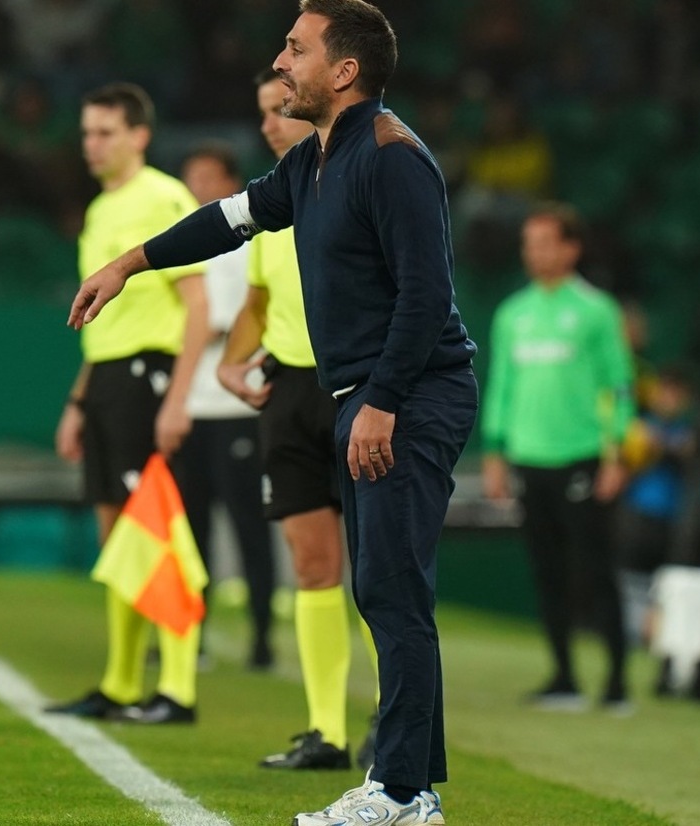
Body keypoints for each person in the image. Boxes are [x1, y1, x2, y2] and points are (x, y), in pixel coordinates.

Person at [69, 3, 477, 823]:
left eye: (296, 48)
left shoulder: (391, 157)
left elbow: (427, 297)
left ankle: (400, 791)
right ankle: (411, 785)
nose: (281, 61)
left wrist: (382, 401)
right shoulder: (314, 160)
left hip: (407, 394)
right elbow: (227, 221)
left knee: (391, 590)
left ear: (345, 70)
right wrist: (130, 263)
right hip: (364, 394)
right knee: (384, 589)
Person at [216, 68, 380, 773]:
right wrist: (230, 364)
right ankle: (326, 732)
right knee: (313, 566)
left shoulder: (360, 182)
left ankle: (392, 717)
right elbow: (257, 301)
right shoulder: (273, 206)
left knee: (377, 570)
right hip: (288, 393)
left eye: (276, 108)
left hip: (360, 392)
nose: (266, 123)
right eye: (260, 111)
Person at [47, 82, 209, 725]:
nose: (92, 144)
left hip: (151, 376)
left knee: (159, 528)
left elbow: (198, 306)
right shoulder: (99, 210)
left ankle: (177, 688)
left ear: (140, 135)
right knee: (117, 536)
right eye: (87, 133)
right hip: (109, 379)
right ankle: (119, 682)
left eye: (105, 132)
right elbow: (101, 323)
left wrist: (179, 398)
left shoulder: (164, 198)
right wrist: (78, 401)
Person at [482, 203, 635, 714]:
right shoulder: (512, 314)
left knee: (596, 569)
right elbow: (501, 385)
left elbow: (618, 386)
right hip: (530, 456)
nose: (535, 253)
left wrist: (615, 454)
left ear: (572, 248)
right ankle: (564, 677)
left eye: (546, 243)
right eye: (529, 244)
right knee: (547, 571)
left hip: (582, 456)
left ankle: (617, 682)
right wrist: (496, 450)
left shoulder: (596, 311)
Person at [174, 141, 277, 672]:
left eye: (208, 176)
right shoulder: (182, 245)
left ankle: (262, 636)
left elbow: (235, 319)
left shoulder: (244, 247)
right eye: (191, 176)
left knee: (248, 526)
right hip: (190, 408)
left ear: (231, 183)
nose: (198, 186)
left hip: (236, 408)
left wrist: (191, 330)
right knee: (191, 532)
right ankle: (190, 638)